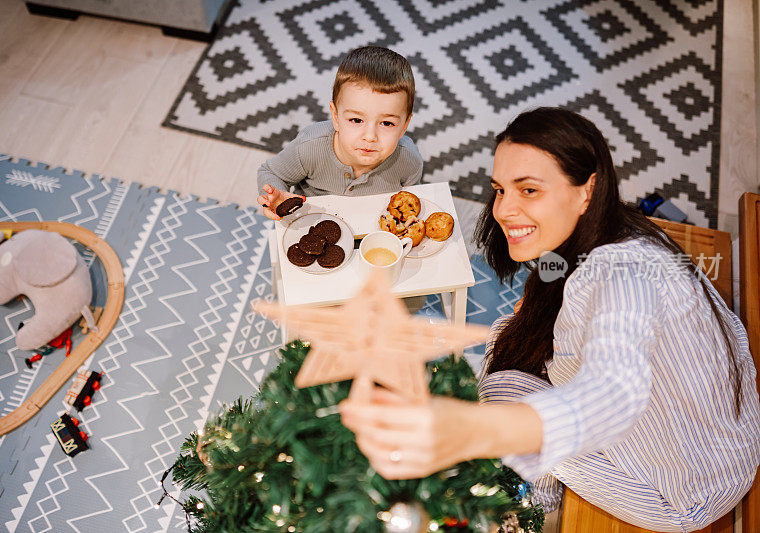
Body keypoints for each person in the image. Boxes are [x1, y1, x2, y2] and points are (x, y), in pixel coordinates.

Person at [339, 108, 760, 532]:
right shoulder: (618, 227)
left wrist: (467, 428)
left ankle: (523, 511)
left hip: (682, 490)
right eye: (500, 190)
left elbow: (612, 389)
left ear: (586, 190)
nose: (504, 210)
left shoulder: (622, 276)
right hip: (721, 435)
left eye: (529, 190)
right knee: (516, 332)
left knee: (502, 376)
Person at [257, 46, 422, 221]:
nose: (370, 136)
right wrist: (275, 198)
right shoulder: (310, 147)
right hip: (310, 227)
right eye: (356, 120)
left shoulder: (409, 161)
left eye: (387, 123)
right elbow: (271, 173)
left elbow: (413, 203)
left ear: (404, 126)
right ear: (335, 117)